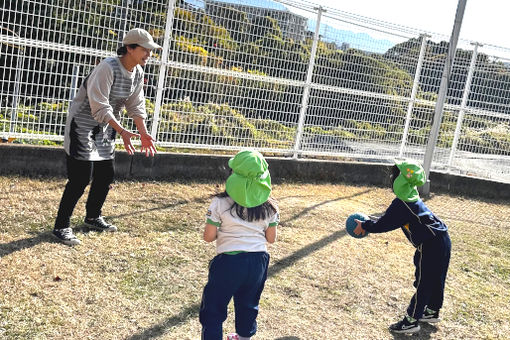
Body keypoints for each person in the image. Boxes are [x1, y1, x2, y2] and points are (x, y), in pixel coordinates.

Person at [52, 28, 161, 245]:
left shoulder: (137, 72)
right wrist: (122, 131)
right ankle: (61, 226)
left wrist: (144, 132)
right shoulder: (108, 67)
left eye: (151, 50)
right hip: (82, 126)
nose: (149, 54)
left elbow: (136, 106)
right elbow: (99, 107)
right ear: (129, 48)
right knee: (80, 178)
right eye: (145, 49)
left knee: (106, 174)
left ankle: (93, 217)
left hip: (106, 128)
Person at [354, 160, 451, 334]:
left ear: (400, 181)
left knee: (424, 282)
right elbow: (388, 220)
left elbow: (384, 225)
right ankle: (431, 311)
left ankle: (411, 321)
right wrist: (371, 221)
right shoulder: (411, 198)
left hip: (430, 245)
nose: (391, 178)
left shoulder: (401, 204)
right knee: (435, 279)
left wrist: (366, 226)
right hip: (442, 239)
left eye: (394, 176)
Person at [199, 150, 280, 340]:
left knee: (214, 307)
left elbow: (209, 237)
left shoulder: (219, 202)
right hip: (258, 262)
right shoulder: (271, 206)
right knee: (248, 304)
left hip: (229, 261)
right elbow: (271, 238)